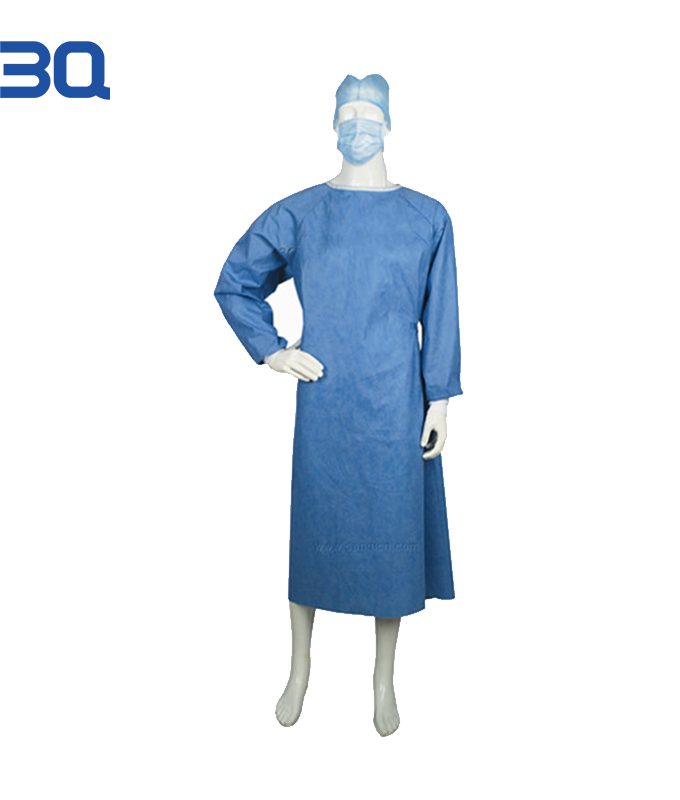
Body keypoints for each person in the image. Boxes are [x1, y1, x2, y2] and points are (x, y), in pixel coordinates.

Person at [214, 74, 462, 736]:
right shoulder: (301, 213)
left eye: (369, 113)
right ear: (332, 126)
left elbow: (442, 314)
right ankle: (300, 669)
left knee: (393, 538)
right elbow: (235, 281)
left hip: (397, 403)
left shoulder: (427, 217)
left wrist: (439, 398)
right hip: (326, 402)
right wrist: (270, 351)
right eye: (347, 114)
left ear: (389, 123)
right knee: (316, 534)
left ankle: (383, 679)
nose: (358, 124)